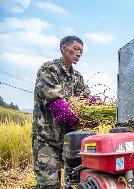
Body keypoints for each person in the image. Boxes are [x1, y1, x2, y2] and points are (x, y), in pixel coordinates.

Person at [32, 36, 90, 188]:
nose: (78, 54)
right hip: (47, 140)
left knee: (74, 182)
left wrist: (95, 106)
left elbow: (86, 99)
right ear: (63, 48)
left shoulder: (77, 77)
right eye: (76, 49)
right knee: (49, 184)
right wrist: (75, 119)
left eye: (81, 52)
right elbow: (56, 103)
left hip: (70, 141)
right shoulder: (49, 69)